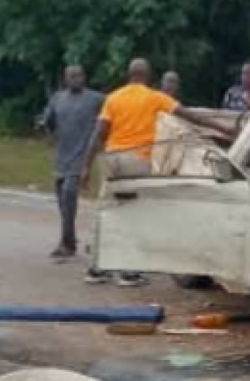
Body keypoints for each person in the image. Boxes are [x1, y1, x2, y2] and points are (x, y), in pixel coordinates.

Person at [83, 58, 226, 285]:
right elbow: (188, 115)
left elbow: (98, 134)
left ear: (129, 75)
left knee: (107, 209)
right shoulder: (154, 97)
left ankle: (96, 269)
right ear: (148, 76)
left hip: (111, 158)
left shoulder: (113, 98)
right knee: (134, 212)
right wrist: (221, 127)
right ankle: (127, 272)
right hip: (137, 158)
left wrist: (86, 167)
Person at [39, 65, 104, 259]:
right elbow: (48, 120)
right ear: (65, 79)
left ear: (84, 77)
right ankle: (70, 238)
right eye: (71, 76)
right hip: (62, 156)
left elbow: (111, 115)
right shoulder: (58, 98)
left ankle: (66, 244)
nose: (75, 79)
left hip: (81, 156)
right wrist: (45, 126)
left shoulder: (95, 99)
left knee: (69, 194)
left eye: (79, 75)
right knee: (63, 202)